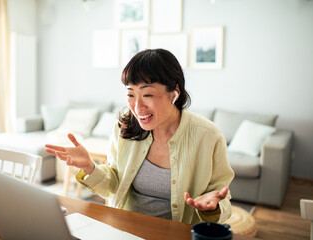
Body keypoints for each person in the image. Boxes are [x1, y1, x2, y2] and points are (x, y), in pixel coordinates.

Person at [45, 49, 235, 224]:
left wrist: (214, 205)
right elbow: (114, 185)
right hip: (124, 228)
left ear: (174, 93)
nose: (137, 107)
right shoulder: (124, 128)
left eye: (147, 95)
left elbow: (221, 197)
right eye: (130, 95)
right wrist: (89, 167)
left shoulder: (208, 136)